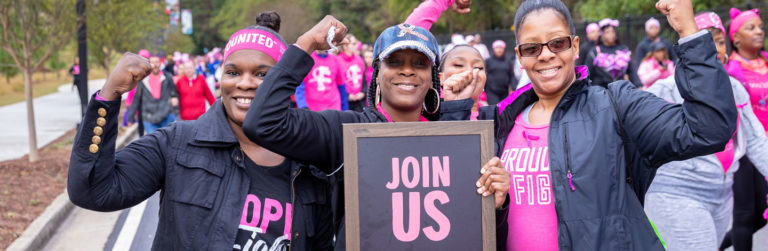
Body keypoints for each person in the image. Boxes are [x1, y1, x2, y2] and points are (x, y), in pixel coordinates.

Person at [472, 0, 737, 250]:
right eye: (532, 48)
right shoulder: (497, 125)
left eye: (557, 43)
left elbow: (709, 127)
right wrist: (456, 106)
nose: (545, 55)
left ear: (575, 47)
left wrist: (689, 33)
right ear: (519, 56)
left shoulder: (615, 106)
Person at [242, 16, 511, 249]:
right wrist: (307, 44)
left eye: (419, 63)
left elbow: (476, 236)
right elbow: (263, 122)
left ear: (432, 78)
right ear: (377, 73)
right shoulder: (346, 131)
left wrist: (497, 207)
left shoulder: (452, 139)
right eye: (394, 61)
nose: (407, 70)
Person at [67, 20, 334, 250]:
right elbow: (92, 190)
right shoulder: (176, 143)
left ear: (281, 84)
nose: (244, 83)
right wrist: (108, 97)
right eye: (233, 72)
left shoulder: (311, 164)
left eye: (262, 74)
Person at [643, 11, 768, 251]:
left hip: (721, 195)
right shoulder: (665, 90)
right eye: (705, 40)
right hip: (677, 194)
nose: (715, 49)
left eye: (719, 42)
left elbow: (756, 141)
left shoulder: (735, 89)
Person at [719, 7, 768, 251]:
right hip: (744, 149)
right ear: (736, 38)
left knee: (762, 213)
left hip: (765, 147)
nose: (759, 31)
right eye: (751, 27)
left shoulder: (766, 62)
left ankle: (719, 244)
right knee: (745, 213)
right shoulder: (731, 70)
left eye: (760, 26)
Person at [125, 55, 180, 135]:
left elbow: (174, 93)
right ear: (149, 65)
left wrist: (174, 102)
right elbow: (136, 99)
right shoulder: (143, 80)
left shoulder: (167, 77)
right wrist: (130, 118)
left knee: (168, 143)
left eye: (157, 62)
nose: (154, 65)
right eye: (152, 62)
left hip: (167, 116)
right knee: (154, 145)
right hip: (149, 118)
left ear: (161, 64)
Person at [585, 18, 640, 87]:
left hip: (620, 89)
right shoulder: (595, 51)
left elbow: (632, 71)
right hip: (601, 90)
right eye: (607, 32)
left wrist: (638, 85)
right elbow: (587, 73)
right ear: (601, 35)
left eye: (613, 31)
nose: (611, 34)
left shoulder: (623, 49)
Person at [338, 34, 367, 112]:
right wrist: (347, 95)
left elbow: (364, 78)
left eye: (356, 43)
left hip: (360, 101)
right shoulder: (337, 60)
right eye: (353, 44)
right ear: (345, 46)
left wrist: (363, 92)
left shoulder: (359, 59)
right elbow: (337, 82)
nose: (356, 46)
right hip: (345, 102)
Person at [485, 40, 516, 105]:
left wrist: (513, 87)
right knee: (494, 109)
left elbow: (511, 75)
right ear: (493, 49)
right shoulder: (488, 61)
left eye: (501, 48)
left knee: (503, 109)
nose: (499, 50)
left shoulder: (508, 61)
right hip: (491, 91)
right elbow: (484, 74)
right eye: (497, 48)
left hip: (504, 91)